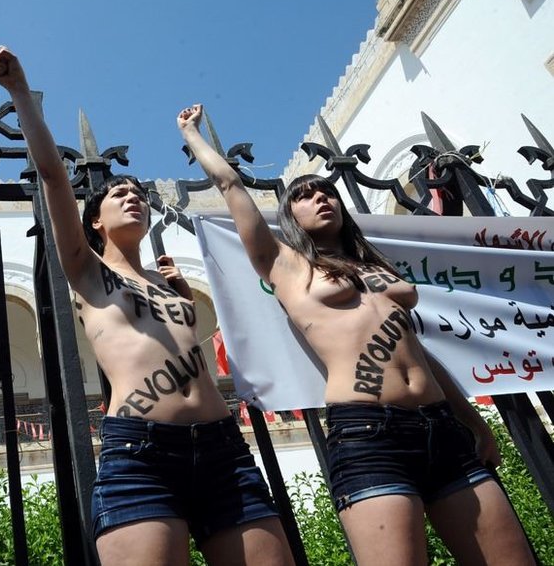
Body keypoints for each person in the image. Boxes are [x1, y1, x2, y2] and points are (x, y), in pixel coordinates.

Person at [179, 104, 536, 565]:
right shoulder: (287, 266)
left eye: (327, 192)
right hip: (370, 435)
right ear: (288, 216)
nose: (320, 198)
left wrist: (470, 419)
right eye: (305, 195)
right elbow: (231, 185)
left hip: (443, 429)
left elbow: (418, 351)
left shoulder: (375, 264)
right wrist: (192, 133)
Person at [0, 47, 294, 566]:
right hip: (140, 455)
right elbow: (53, 177)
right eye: (118, 195)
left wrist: (176, 296)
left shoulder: (167, 282)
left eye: (137, 192)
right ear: (95, 223)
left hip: (224, 450)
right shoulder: (88, 271)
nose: (133, 196)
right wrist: (22, 94)